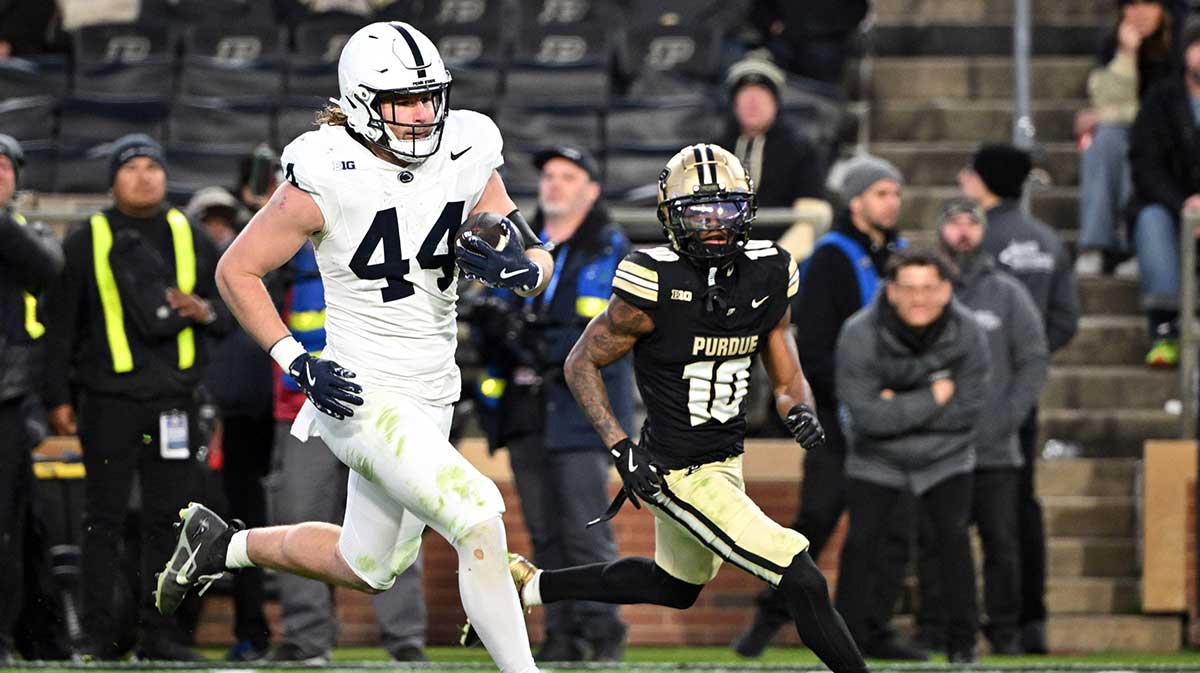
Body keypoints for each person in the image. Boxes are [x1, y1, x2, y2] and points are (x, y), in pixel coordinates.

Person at [152, 22, 553, 673]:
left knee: (370, 565)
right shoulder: (327, 167)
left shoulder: (469, 145)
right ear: (363, 100)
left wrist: (525, 271)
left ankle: (222, 545)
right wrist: (295, 358)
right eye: (404, 100)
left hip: (432, 390)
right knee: (478, 511)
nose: (423, 113)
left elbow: (535, 249)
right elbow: (236, 270)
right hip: (359, 391)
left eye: (429, 96)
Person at [470, 143, 868, 673]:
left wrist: (797, 404)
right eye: (697, 213)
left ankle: (528, 584)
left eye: (724, 210)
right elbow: (579, 364)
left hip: (726, 460)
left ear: (745, 210)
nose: (713, 225)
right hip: (677, 470)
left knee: (674, 586)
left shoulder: (769, 270)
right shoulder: (652, 280)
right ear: (670, 218)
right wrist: (620, 447)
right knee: (801, 574)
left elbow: (780, 344)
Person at [41, 133, 232, 660]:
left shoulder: (189, 233)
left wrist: (207, 311)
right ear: (112, 180)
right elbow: (58, 326)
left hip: (176, 402)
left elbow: (231, 304)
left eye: (153, 166)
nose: (144, 175)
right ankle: (99, 637)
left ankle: (161, 636)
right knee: (101, 521)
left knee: (171, 521)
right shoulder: (86, 239)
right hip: (107, 403)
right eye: (131, 167)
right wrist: (56, 397)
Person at [733, 155, 919, 661]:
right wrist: (845, 402)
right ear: (856, 201)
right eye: (881, 193)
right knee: (815, 519)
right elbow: (812, 346)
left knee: (887, 527)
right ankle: (769, 617)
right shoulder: (832, 257)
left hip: (891, 417)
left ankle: (873, 627)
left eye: (895, 194)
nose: (892, 203)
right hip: (839, 417)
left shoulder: (900, 256)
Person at [470, 146, 632, 662]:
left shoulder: (610, 247)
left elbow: (618, 333)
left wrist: (540, 340)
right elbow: (497, 322)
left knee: (585, 532)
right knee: (544, 534)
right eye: (548, 176)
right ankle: (562, 636)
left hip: (584, 412)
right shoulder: (519, 243)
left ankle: (603, 634)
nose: (554, 185)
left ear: (592, 190)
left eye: (568, 176)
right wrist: (495, 327)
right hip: (527, 410)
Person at [264, 238, 429, 663]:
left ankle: (405, 639)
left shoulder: (378, 214)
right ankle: (306, 637)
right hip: (302, 409)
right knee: (298, 516)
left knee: (392, 519)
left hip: (378, 403)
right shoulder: (279, 240)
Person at [835, 249, 991, 665]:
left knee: (953, 541)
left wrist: (897, 405)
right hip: (875, 457)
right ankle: (843, 647)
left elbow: (969, 410)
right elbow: (866, 416)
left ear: (945, 291)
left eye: (928, 288)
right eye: (908, 288)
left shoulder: (970, 331)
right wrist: (934, 396)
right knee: (860, 544)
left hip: (947, 456)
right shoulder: (858, 333)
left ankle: (963, 645)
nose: (918, 298)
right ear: (890, 291)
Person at [958, 142, 1079, 653]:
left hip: (972, 401)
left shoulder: (975, 240)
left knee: (962, 507)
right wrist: (1027, 360)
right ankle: (1030, 621)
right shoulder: (1047, 240)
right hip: (1023, 397)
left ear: (982, 180)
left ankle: (954, 621)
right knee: (1021, 506)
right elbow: (1065, 321)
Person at [914, 199, 1049, 655]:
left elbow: (1033, 361)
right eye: (954, 223)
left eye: (973, 223)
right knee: (935, 545)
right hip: (938, 448)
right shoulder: (920, 292)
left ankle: (1005, 632)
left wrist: (1007, 418)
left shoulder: (1008, 293)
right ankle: (935, 629)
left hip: (996, 451)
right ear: (941, 232)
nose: (964, 232)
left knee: (1002, 546)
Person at [186, 184, 274, 661]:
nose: (218, 233)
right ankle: (176, 633)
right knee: (185, 527)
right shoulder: (183, 285)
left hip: (241, 428)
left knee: (243, 531)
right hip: (192, 423)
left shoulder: (254, 287)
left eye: (225, 223)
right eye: (208, 224)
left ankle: (251, 633)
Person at [0, 134, 64, 663]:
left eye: (2, 166)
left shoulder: (29, 232)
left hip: (8, 399)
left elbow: (46, 269)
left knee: (8, 527)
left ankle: (3, 639)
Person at [1075, 0, 1175, 277]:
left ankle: (1137, 246)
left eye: (1149, 4)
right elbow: (1103, 99)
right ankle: (1094, 246)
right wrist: (1126, 54)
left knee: (1139, 146)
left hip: (1169, 139)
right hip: (1124, 133)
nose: (1139, 13)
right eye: (1131, 5)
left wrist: (1109, 114)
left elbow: (1165, 110)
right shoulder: (1113, 44)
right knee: (1104, 139)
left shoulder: (1180, 44)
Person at [1128, 20, 1200, 368]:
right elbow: (1145, 163)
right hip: (1170, 204)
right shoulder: (1161, 98)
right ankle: (1165, 327)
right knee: (1151, 220)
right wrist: (1184, 203)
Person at [718, 56, 828, 210]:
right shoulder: (714, 152)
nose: (753, 103)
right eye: (745, 94)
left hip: (783, 232)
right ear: (734, 105)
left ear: (775, 104)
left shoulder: (801, 150)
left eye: (761, 94)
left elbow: (811, 207)